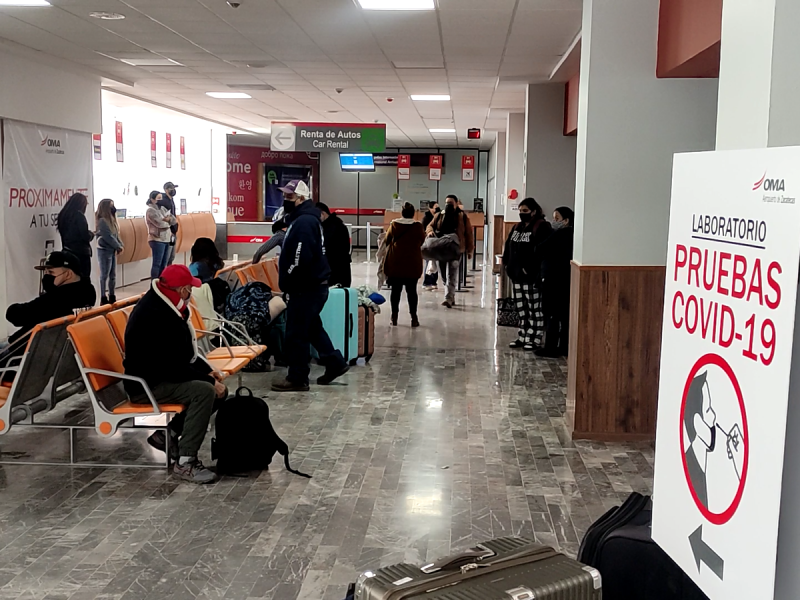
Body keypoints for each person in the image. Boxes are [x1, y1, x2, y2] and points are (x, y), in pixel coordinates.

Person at [124, 265, 227, 484]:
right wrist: (207, 379)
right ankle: (186, 462)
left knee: (218, 390)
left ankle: (167, 436)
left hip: (160, 376)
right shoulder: (155, 315)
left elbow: (183, 356)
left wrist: (207, 371)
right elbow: (170, 366)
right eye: (190, 288)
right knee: (204, 391)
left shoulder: (165, 306)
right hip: (146, 385)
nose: (192, 294)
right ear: (182, 290)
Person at [271, 180, 349, 392]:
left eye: (290, 197)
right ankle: (335, 363)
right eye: (285, 196)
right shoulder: (305, 220)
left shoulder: (304, 222)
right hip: (313, 284)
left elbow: (299, 257)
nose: (285, 200)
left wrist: (287, 278)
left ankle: (297, 377)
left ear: (301, 199)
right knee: (312, 327)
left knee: (296, 332)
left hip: (305, 286)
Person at [2, 251, 96, 359]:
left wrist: (51, 293)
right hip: (61, 354)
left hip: (23, 353)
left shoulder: (55, 299)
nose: (46, 276)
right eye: (45, 272)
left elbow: (15, 316)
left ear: (68, 274)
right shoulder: (89, 292)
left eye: (51, 273)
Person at [502, 198, 552, 351]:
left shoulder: (542, 227)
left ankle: (535, 338)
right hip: (516, 275)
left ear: (534, 211)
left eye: (525, 211)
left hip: (531, 277)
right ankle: (523, 335)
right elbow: (508, 246)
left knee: (534, 308)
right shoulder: (517, 227)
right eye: (520, 211)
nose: (522, 214)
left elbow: (543, 251)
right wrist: (507, 265)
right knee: (521, 308)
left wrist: (530, 269)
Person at [537, 206, 574, 358]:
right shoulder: (575, 235)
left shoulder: (560, 234)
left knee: (552, 313)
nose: (554, 222)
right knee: (565, 315)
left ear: (566, 221)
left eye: (557, 219)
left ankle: (550, 347)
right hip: (567, 279)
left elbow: (539, 249)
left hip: (554, 279)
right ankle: (564, 347)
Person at [426, 194, 474, 308]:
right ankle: (450, 294)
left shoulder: (462, 217)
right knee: (443, 274)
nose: (448, 205)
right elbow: (429, 226)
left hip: (456, 249)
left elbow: (469, 233)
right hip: (441, 248)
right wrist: (430, 232)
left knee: (452, 274)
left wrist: (470, 250)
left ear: (456, 204)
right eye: (447, 203)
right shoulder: (439, 215)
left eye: (451, 203)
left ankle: (448, 297)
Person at [384, 202, 426, 327]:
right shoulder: (418, 226)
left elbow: (387, 240)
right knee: (412, 291)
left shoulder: (394, 225)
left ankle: (394, 317)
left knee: (395, 291)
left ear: (402, 213)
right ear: (413, 214)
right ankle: (414, 318)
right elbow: (422, 240)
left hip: (395, 262)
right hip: (412, 263)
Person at [57, 193, 94, 277]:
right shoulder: (79, 216)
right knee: (83, 279)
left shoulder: (63, 215)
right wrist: (91, 234)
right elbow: (85, 236)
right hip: (81, 254)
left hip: (67, 251)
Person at [95, 199, 124, 305]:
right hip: (104, 250)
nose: (113, 208)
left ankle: (112, 294)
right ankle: (103, 296)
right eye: (111, 206)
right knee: (104, 274)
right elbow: (108, 236)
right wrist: (118, 246)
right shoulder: (102, 221)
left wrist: (120, 245)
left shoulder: (112, 219)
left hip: (112, 250)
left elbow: (116, 235)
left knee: (113, 275)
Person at [317, 202, 352, 287]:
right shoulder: (328, 226)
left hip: (337, 272)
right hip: (335, 270)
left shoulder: (336, 227)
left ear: (323, 213)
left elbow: (334, 251)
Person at [146, 190, 177, 279]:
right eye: (158, 198)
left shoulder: (163, 209)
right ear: (152, 199)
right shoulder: (150, 211)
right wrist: (168, 221)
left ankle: (161, 283)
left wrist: (168, 220)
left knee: (165, 262)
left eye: (161, 198)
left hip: (168, 238)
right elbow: (160, 224)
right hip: (157, 239)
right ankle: (154, 283)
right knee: (157, 263)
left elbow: (174, 220)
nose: (161, 200)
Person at [421, 201, 440, 290]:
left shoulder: (439, 217)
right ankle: (427, 282)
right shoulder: (426, 218)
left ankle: (433, 281)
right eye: (435, 208)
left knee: (435, 263)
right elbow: (424, 230)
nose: (436, 210)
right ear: (430, 209)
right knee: (429, 262)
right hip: (428, 243)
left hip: (437, 242)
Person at [161, 181, 180, 266]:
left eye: (173, 188)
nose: (173, 190)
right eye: (171, 189)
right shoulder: (164, 202)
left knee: (172, 256)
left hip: (173, 232)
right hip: (169, 233)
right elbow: (166, 217)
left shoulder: (171, 200)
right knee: (167, 256)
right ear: (166, 190)